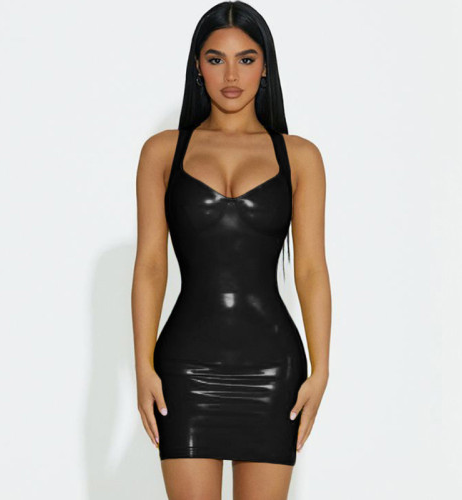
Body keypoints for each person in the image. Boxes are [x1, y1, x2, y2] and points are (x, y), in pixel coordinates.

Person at [131, 1, 331, 498]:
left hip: (273, 368)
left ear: (265, 67)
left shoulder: (300, 156)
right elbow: (151, 265)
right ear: (198, 67)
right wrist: (142, 365)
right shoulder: (162, 151)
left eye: (246, 58)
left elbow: (310, 269)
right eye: (216, 59)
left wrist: (321, 369)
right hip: (184, 368)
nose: (232, 74)